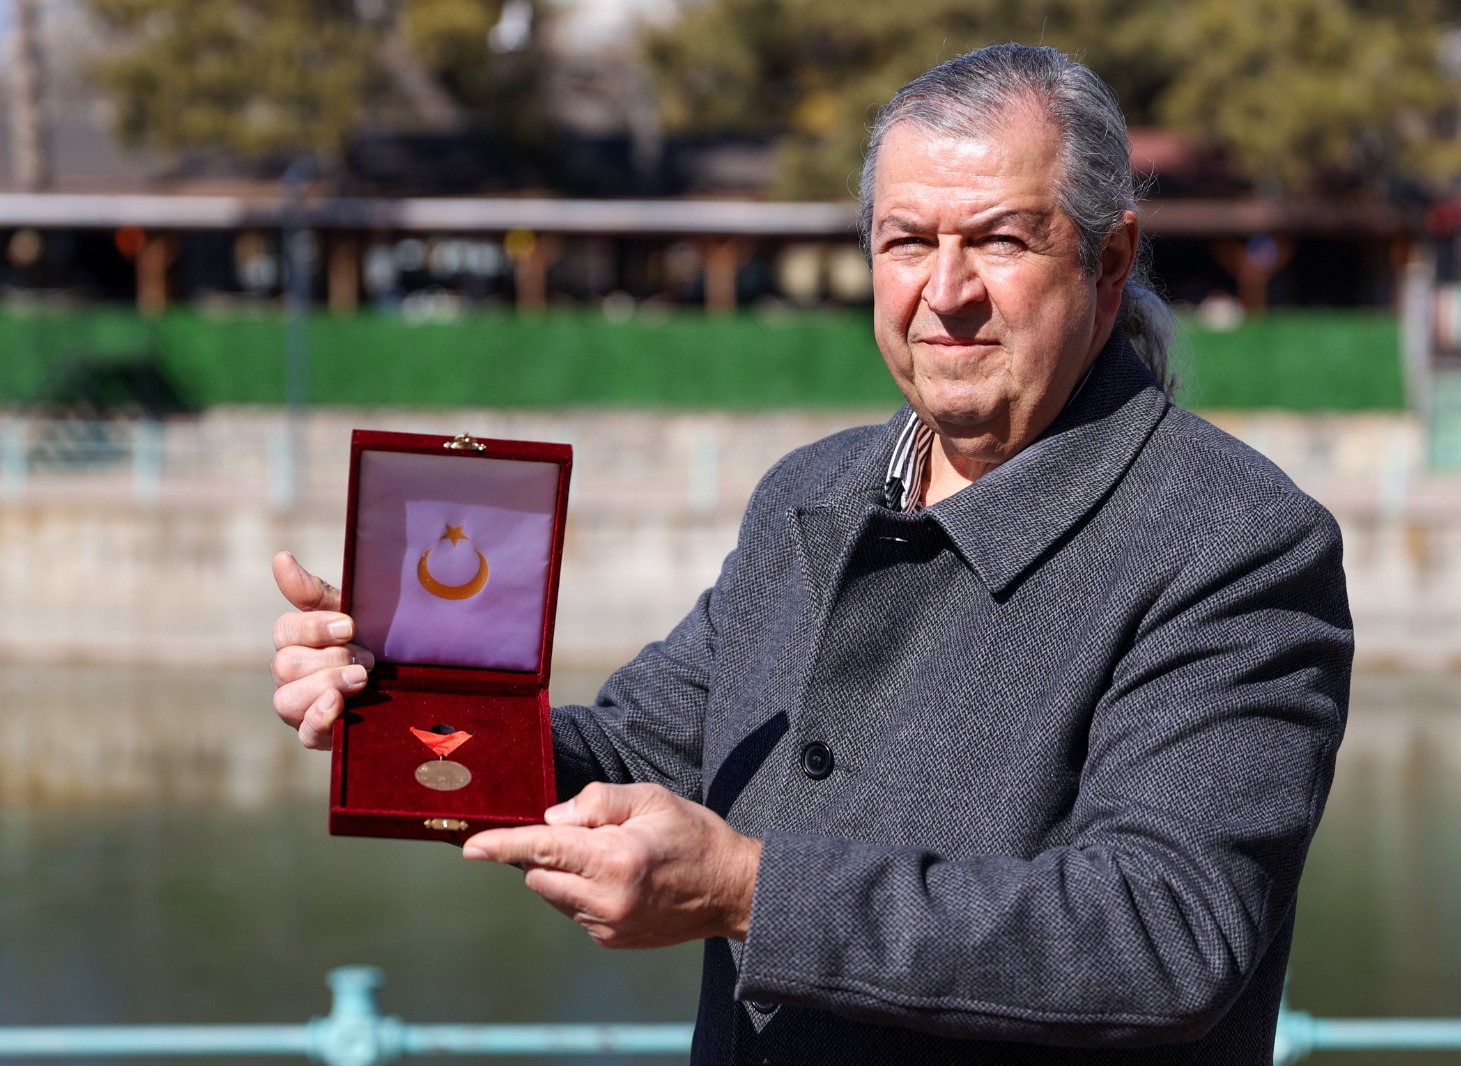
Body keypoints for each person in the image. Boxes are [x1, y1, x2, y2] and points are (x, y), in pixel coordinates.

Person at [270, 44, 1351, 1065]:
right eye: (907, 241)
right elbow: (638, 748)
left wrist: (752, 891)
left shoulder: (1234, 538)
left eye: (1000, 241)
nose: (947, 290)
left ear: (1107, 258)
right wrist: (399, 701)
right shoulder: (811, 493)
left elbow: (1161, 932)